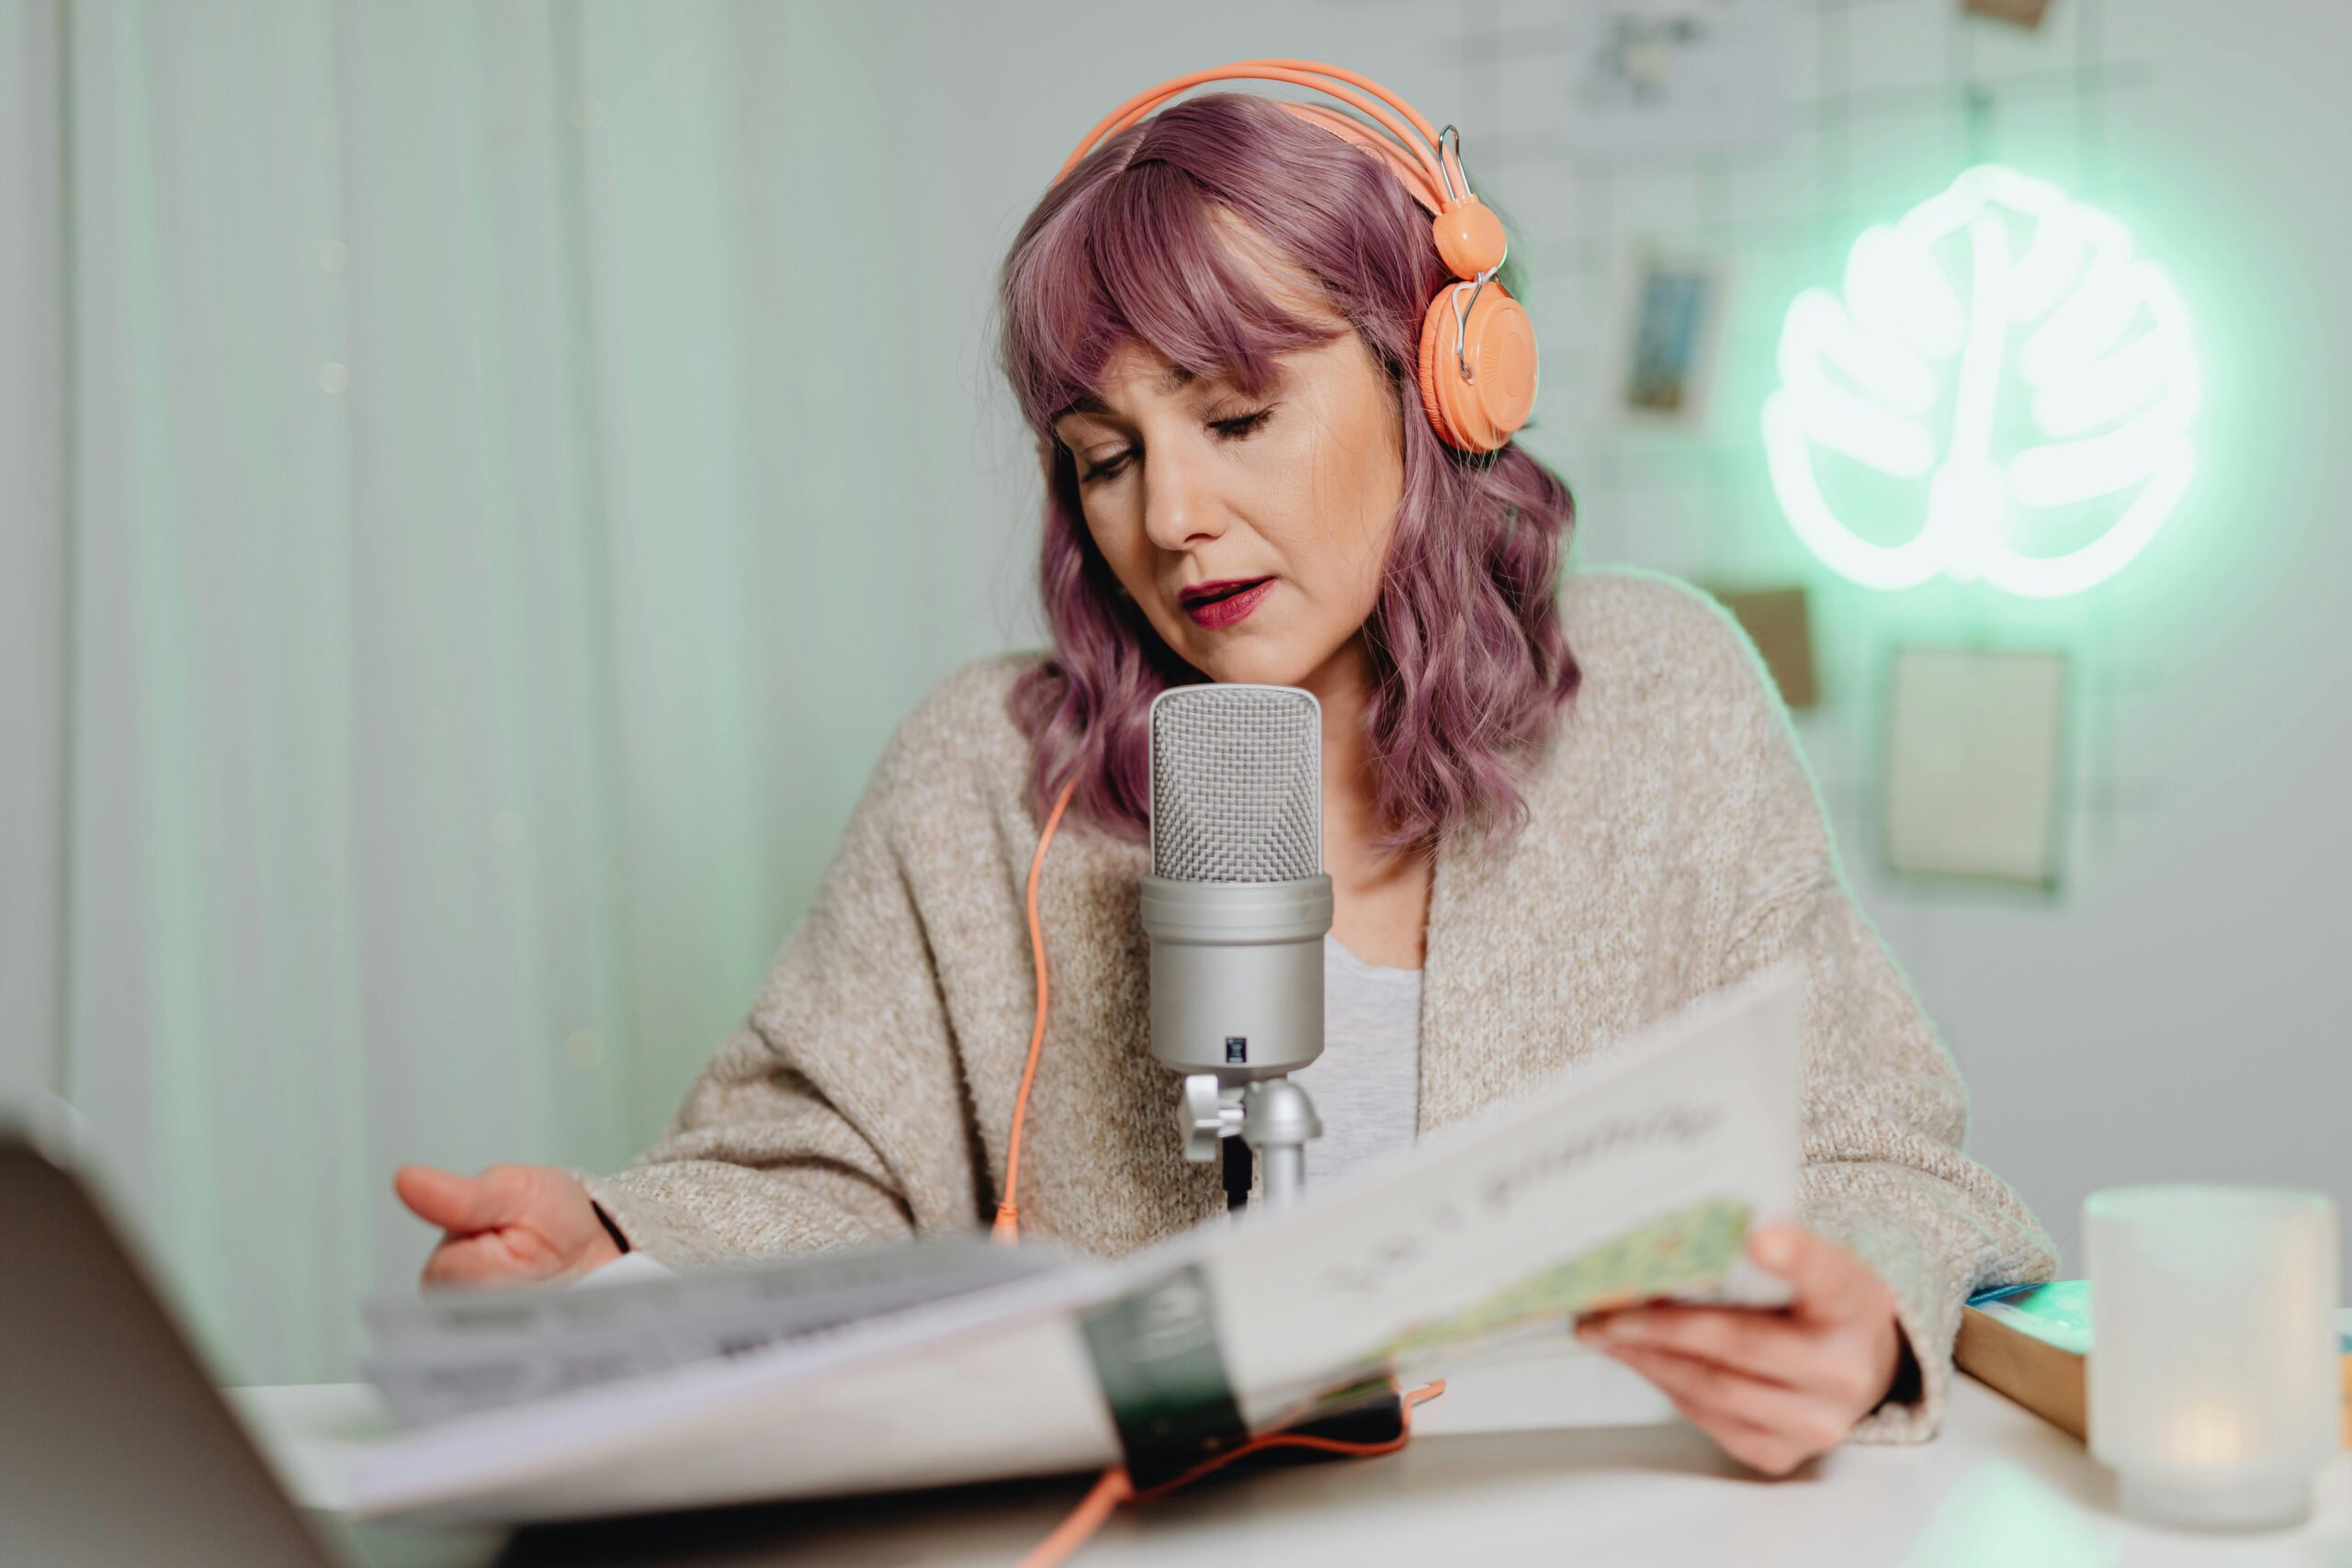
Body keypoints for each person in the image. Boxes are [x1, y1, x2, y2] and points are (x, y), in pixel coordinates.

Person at [395, 79, 2056, 1479]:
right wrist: (616, 1258)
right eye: (1104, 458)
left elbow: (1884, 1156)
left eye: (1237, 417)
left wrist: (1856, 1320)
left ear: (1441, 383)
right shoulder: (991, 771)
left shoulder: (1663, 700)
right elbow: (816, 1175)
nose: (1166, 516)